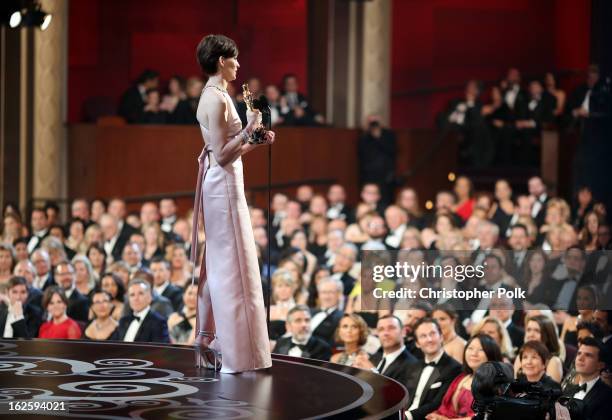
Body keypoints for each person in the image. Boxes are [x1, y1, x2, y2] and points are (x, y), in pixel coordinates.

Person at [190, 34, 274, 373]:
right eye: (233, 58)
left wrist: (256, 139)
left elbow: (227, 152)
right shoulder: (215, 99)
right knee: (230, 264)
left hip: (225, 181)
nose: (238, 64)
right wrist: (250, 130)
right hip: (221, 184)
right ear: (220, 61)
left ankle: (218, 339)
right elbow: (222, 155)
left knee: (231, 261)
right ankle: (229, 344)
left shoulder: (220, 95)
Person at [425, 334, 502, 420]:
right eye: (470, 348)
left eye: (481, 350)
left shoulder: (493, 384)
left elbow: (480, 417)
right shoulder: (461, 377)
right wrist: (438, 417)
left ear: (491, 354)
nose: (474, 353)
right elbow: (445, 408)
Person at [405, 318, 462, 420]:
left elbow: (438, 404)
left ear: (441, 337)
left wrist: (407, 416)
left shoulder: (454, 368)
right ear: (417, 343)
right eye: (423, 336)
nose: (429, 339)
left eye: (432, 334)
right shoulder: (413, 366)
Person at [354, 315, 418, 387]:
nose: (386, 333)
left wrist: (373, 373)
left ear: (403, 332)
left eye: (391, 328)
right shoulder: (374, 358)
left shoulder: (413, 365)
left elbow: (398, 394)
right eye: (381, 329)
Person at [562, 337, 612, 420]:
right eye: (579, 353)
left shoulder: (607, 396)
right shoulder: (568, 390)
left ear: (600, 365)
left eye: (588, 355)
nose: (580, 358)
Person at [111, 279, 169, 343]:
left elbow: (160, 350)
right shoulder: (123, 321)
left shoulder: (159, 322)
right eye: (132, 295)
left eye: (141, 293)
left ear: (150, 297)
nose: (136, 298)